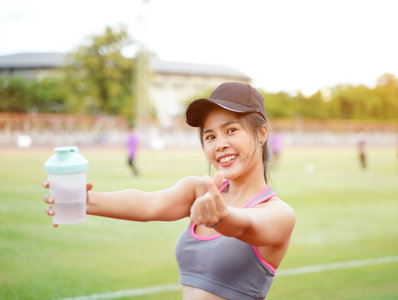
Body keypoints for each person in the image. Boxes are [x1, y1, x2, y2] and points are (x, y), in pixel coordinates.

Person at [43, 82, 296, 300]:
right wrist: (85, 200)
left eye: (231, 130)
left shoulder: (278, 213)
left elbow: (246, 226)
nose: (220, 144)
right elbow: (147, 203)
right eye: (209, 136)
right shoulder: (199, 190)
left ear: (261, 133)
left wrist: (222, 217)